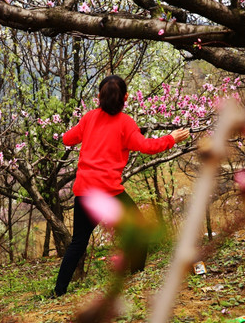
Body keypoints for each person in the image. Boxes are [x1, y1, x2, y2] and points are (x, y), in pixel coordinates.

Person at [53, 75, 190, 297]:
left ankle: (59, 291)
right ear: (126, 98)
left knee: (78, 242)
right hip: (109, 192)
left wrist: (84, 130)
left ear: (98, 97)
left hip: (84, 192)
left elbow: (67, 139)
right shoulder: (126, 123)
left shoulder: (89, 118)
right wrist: (171, 138)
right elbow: (146, 146)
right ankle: (136, 276)